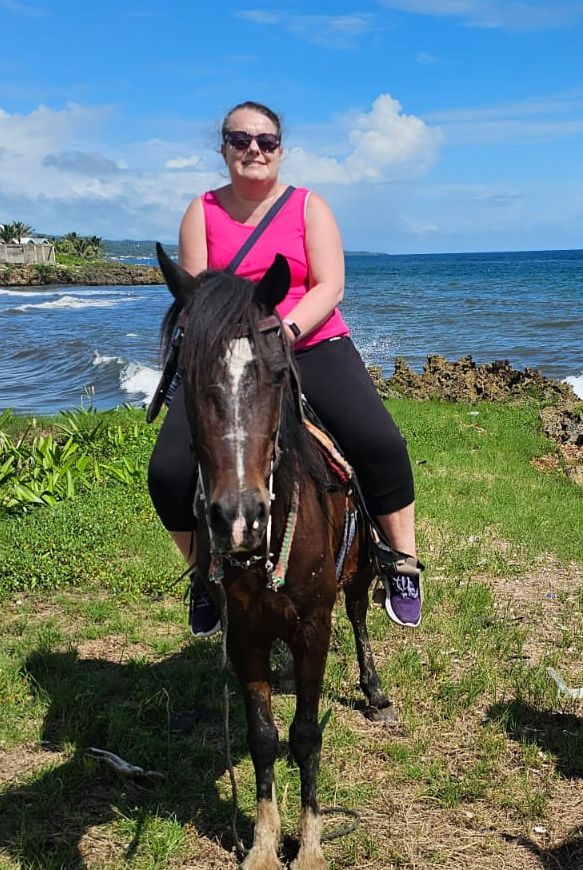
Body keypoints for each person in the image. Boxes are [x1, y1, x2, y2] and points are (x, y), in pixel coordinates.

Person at [147, 100, 423, 634]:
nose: (254, 149)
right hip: (227, 358)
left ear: (280, 148)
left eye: (266, 141)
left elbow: (329, 285)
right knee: (167, 473)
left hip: (309, 340)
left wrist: (284, 333)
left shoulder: (307, 206)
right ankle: (204, 577)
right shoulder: (201, 211)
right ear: (224, 146)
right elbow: (196, 298)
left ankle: (401, 561)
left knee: (380, 443)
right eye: (241, 139)